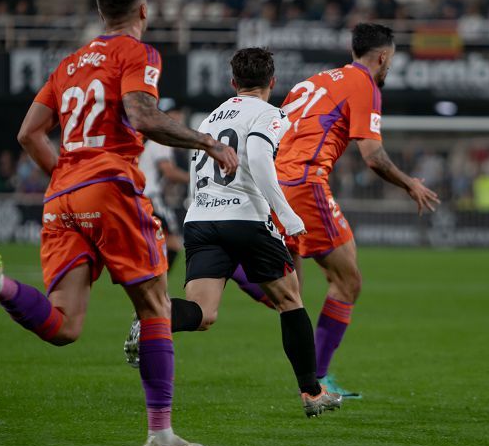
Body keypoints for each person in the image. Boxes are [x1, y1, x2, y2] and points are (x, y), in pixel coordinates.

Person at [0, 0, 238, 446]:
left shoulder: (70, 63)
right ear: (144, 11)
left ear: (102, 14)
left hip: (63, 195)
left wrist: (66, 175)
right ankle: (160, 432)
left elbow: (28, 134)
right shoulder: (137, 53)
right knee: (155, 308)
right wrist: (206, 140)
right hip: (109, 187)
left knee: (64, 325)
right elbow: (142, 116)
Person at [124, 47, 342, 418]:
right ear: (271, 83)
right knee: (290, 301)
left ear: (233, 83)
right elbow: (257, 156)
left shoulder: (209, 119)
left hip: (201, 218)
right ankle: (311, 392)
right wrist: (287, 215)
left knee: (203, 313)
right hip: (247, 218)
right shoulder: (269, 113)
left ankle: (152, 319)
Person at [273, 23, 440, 398]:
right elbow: (373, 156)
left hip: (273, 182)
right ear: (382, 57)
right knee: (348, 282)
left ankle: (233, 266)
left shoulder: (313, 81)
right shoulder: (365, 83)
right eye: (390, 60)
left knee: (291, 285)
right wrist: (410, 183)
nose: (388, 67)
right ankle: (318, 377)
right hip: (304, 183)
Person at [138, 98, 190, 272]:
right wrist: (197, 178)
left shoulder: (148, 139)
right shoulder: (160, 140)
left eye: (177, 112)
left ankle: (152, 284)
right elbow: (169, 171)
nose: (178, 117)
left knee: (152, 243)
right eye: (172, 114)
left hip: (139, 196)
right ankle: (155, 285)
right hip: (150, 197)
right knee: (173, 244)